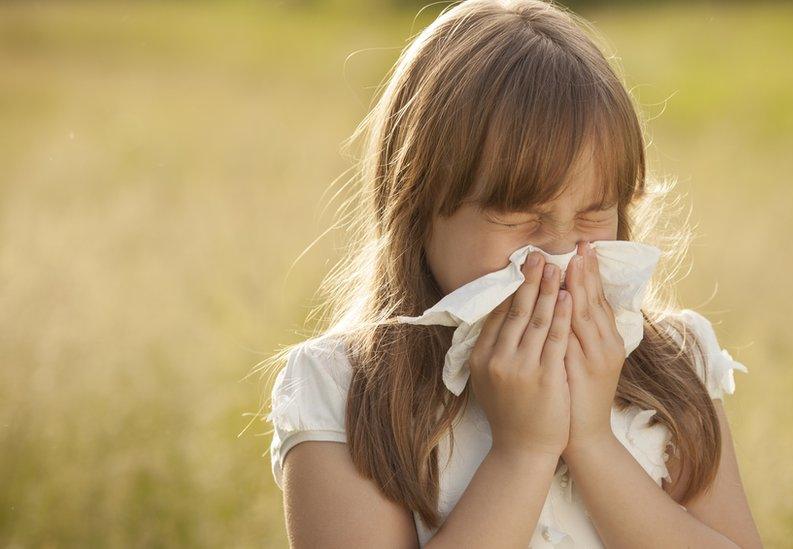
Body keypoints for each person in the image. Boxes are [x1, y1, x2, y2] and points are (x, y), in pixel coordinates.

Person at [262, 0, 763, 546]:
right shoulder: (342, 388)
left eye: (595, 213)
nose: (559, 251)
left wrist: (593, 443)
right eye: (520, 216)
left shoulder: (674, 364)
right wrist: (522, 453)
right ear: (417, 206)